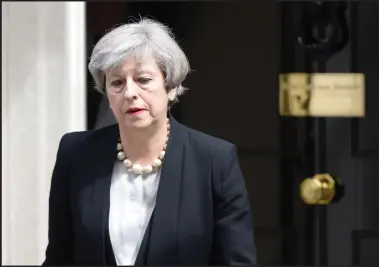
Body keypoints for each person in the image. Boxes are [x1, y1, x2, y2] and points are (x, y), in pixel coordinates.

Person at [43, 18, 257, 266]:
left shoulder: (213, 161)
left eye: (143, 80)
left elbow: (237, 261)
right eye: (117, 82)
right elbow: (59, 256)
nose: (130, 93)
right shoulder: (76, 154)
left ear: (170, 86)